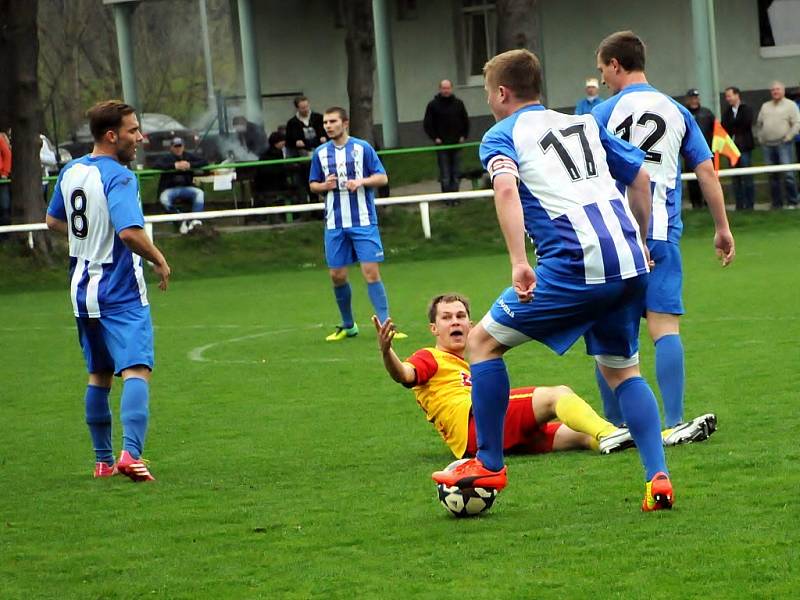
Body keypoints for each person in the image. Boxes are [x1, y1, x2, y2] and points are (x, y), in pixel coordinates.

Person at [431, 49, 673, 512]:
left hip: (574, 266)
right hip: (628, 264)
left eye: (487, 93)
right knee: (624, 370)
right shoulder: (584, 123)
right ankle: (657, 477)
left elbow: (505, 188)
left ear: (501, 93)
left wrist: (519, 260)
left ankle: (488, 462)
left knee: (482, 344)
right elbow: (640, 176)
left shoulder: (501, 135)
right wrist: (641, 239)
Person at [591, 31, 732, 445]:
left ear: (616, 64)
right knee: (665, 327)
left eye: (603, 70)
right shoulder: (676, 111)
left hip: (615, 237)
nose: (602, 79)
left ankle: (615, 427)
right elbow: (706, 171)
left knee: (611, 332)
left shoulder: (602, 113)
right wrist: (722, 227)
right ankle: (673, 422)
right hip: (661, 234)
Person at [377, 294, 710, 460]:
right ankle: (611, 432)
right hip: (476, 425)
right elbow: (405, 375)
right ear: (433, 328)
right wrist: (387, 352)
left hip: (484, 439)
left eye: (461, 316)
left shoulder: (465, 362)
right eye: (447, 318)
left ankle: (659, 437)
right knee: (555, 395)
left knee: (580, 436)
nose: (456, 323)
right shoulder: (430, 357)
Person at [44, 100, 171, 482]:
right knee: (136, 369)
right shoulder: (119, 176)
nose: (140, 137)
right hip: (120, 290)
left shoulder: (71, 170)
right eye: (133, 131)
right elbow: (130, 232)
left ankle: (101, 462)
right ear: (112, 135)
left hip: (82, 291)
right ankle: (130, 454)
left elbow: (52, 221)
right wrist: (159, 259)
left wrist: (88, 240)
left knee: (98, 374)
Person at [309, 107, 406, 342]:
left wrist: (361, 181)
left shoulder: (363, 148)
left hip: (363, 221)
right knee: (337, 275)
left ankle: (386, 325)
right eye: (325, 122)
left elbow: (382, 177)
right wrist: (324, 186)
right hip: (334, 223)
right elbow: (312, 184)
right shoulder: (320, 153)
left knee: (371, 273)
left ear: (345, 123)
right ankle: (348, 325)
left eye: (333, 121)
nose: (328, 126)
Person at [755, 81, 800, 209]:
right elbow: (759, 124)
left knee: (788, 174)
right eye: (773, 90)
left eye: (778, 89)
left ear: (783, 91)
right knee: (772, 174)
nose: (775, 92)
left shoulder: (791, 105)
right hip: (767, 145)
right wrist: (761, 138)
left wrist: (789, 137)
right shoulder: (765, 106)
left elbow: (797, 123)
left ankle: (793, 202)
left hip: (784, 144)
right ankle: (777, 203)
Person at [153, 137, 208, 234]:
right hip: (170, 189)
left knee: (199, 193)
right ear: (171, 148)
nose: (178, 149)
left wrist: (189, 165)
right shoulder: (166, 158)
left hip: (187, 188)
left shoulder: (188, 156)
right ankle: (180, 219)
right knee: (164, 198)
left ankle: (195, 220)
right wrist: (174, 166)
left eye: (180, 146)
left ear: (183, 147)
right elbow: (156, 165)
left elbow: (204, 161)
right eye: (175, 146)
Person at [423, 79, 470, 194]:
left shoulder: (458, 103)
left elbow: (465, 121)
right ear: (440, 89)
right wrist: (435, 137)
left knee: (456, 172)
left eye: (448, 88)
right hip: (442, 144)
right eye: (444, 88)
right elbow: (428, 124)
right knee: (445, 173)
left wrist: (464, 135)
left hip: (456, 143)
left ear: (451, 89)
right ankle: (447, 197)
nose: (446, 90)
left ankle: (456, 196)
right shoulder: (433, 105)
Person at [721, 86, 756, 210]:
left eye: (729, 95)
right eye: (726, 96)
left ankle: (750, 204)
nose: (728, 98)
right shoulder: (727, 112)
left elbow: (746, 123)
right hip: (731, 149)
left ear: (737, 95)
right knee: (735, 177)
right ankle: (739, 204)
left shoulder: (746, 108)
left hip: (744, 147)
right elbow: (724, 126)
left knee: (747, 176)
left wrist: (733, 125)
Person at [684, 89, 715, 209]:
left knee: (707, 178)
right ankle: (696, 204)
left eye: (695, 97)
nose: (694, 100)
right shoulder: (684, 113)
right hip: (688, 152)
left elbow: (716, 130)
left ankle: (709, 202)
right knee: (692, 180)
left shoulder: (707, 113)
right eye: (691, 97)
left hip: (706, 151)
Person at [0, 129, 11, 234]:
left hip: (1, 177)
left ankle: (6, 234)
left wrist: (5, 173)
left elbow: (7, 154)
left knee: (4, 205)